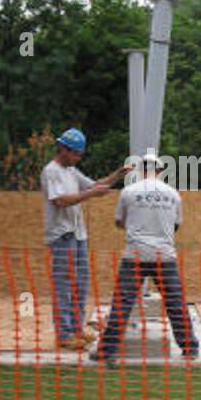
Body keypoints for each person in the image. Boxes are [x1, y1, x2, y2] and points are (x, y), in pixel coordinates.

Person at [90, 150, 199, 366]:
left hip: (135, 255)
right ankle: (190, 348)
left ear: (141, 172)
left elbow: (119, 222)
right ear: (159, 171)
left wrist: (136, 227)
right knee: (175, 303)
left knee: (122, 304)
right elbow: (175, 225)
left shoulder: (128, 192)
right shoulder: (173, 194)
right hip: (164, 256)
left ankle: (107, 351)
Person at [41, 128, 128, 352]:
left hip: (78, 235)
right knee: (63, 285)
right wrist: (92, 194)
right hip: (62, 236)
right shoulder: (52, 172)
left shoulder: (71, 171)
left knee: (80, 284)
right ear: (64, 149)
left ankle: (76, 329)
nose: (79, 158)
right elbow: (60, 201)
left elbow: (92, 185)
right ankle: (65, 334)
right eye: (76, 154)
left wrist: (117, 175)